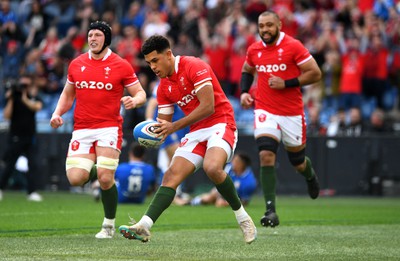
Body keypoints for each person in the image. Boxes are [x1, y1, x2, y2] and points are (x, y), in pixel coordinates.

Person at [119, 35, 257, 244]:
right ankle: (144, 226)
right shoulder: (163, 87)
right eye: (148, 63)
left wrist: (173, 126)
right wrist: (151, 132)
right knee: (170, 176)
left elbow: (208, 106)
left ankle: (243, 218)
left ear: (168, 54)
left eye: (155, 60)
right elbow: (162, 123)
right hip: (197, 130)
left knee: (212, 167)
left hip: (221, 122)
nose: (153, 67)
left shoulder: (194, 65)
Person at [49, 21, 147, 239]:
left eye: (97, 35)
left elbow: (141, 93)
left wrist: (135, 100)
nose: (92, 39)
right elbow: (67, 94)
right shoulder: (76, 64)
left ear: (107, 39)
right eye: (90, 35)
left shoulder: (121, 65)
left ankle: (108, 226)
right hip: (82, 128)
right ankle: (103, 170)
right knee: (76, 178)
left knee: (104, 178)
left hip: (109, 128)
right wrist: (57, 114)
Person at [239, 11, 321, 229]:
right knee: (266, 155)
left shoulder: (293, 46)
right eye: (261, 25)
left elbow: (315, 73)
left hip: (291, 113)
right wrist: (245, 92)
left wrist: (287, 83)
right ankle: (270, 210)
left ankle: (310, 175)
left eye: (269, 25)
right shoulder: (254, 49)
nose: (265, 29)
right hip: (265, 109)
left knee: (298, 163)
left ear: (279, 25)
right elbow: (247, 69)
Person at [0, 74, 43, 202]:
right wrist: (12, 98)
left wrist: (25, 98)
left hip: (30, 136)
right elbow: (7, 115)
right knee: (10, 165)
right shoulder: (14, 98)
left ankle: (32, 191)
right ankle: (1, 188)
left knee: (33, 164)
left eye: (26, 85)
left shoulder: (33, 97)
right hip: (15, 136)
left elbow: (37, 107)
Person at [178, 152, 257, 207]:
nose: (233, 163)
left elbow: (244, 201)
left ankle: (189, 201)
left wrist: (228, 203)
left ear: (242, 164)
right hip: (224, 191)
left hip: (237, 198)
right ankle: (190, 202)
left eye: (236, 161)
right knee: (209, 197)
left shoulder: (249, 182)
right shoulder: (229, 168)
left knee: (218, 202)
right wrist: (220, 197)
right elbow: (221, 183)